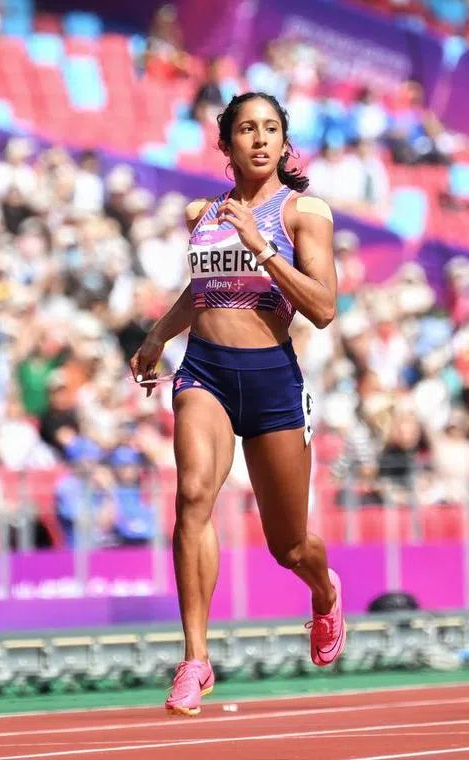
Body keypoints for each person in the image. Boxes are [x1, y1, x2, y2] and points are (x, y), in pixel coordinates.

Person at [130, 92, 346, 717]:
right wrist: (156, 336)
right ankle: (196, 658)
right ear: (224, 145)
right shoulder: (204, 211)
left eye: (270, 129)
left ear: (284, 142)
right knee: (194, 494)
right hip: (206, 372)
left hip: (273, 381)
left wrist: (264, 247)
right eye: (245, 130)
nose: (258, 139)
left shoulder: (306, 212)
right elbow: (203, 293)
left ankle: (324, 591)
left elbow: (324, 309)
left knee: (289, 547)